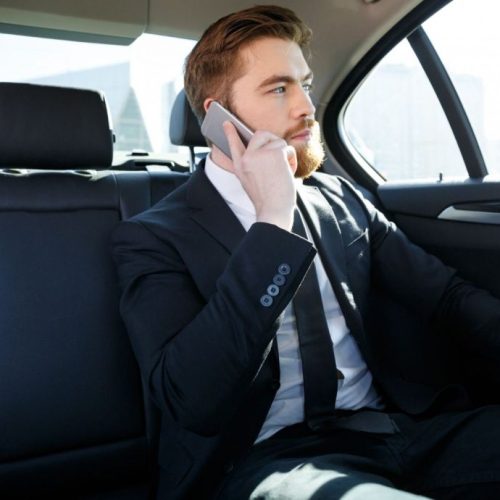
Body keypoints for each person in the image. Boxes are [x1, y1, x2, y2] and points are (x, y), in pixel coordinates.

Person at [112, 5, 500, 500]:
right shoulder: (151, 237)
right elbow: (193, 400)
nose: (307, 107)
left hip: (398, 429)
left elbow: (447, 297)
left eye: (305, 83)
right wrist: (272, 223)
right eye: (279, 88)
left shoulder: (340, 198)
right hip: (264, 459)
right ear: (218, 118)